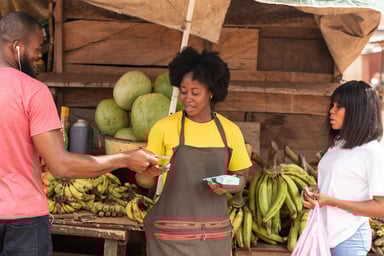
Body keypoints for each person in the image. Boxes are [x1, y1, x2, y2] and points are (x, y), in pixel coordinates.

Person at [0, 11, 159, 255]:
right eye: (37, 47)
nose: (40, 55)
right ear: (17, 47)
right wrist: (125, 158)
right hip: (23, 221)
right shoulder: (33, 91)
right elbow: (61, 166)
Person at [139, 46, 252, 256]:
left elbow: (241, 180)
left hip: (214, 239)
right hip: (169, 240)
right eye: (183, 91)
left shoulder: (230, 131)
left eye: (195, 92)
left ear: (211, 92)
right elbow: (143, 181)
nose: (187, 98)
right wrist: (147, 174)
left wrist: (227, 185)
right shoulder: (164, 128)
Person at [303, 80, 384, 256]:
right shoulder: (338, 144)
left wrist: (332, 202)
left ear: (357, 112)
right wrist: (316, 195)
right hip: (324, 235)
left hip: (348, 240)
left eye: (339, 107)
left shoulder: (372, 152)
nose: (331, 111)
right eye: (332, 105)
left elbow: (381, 207)